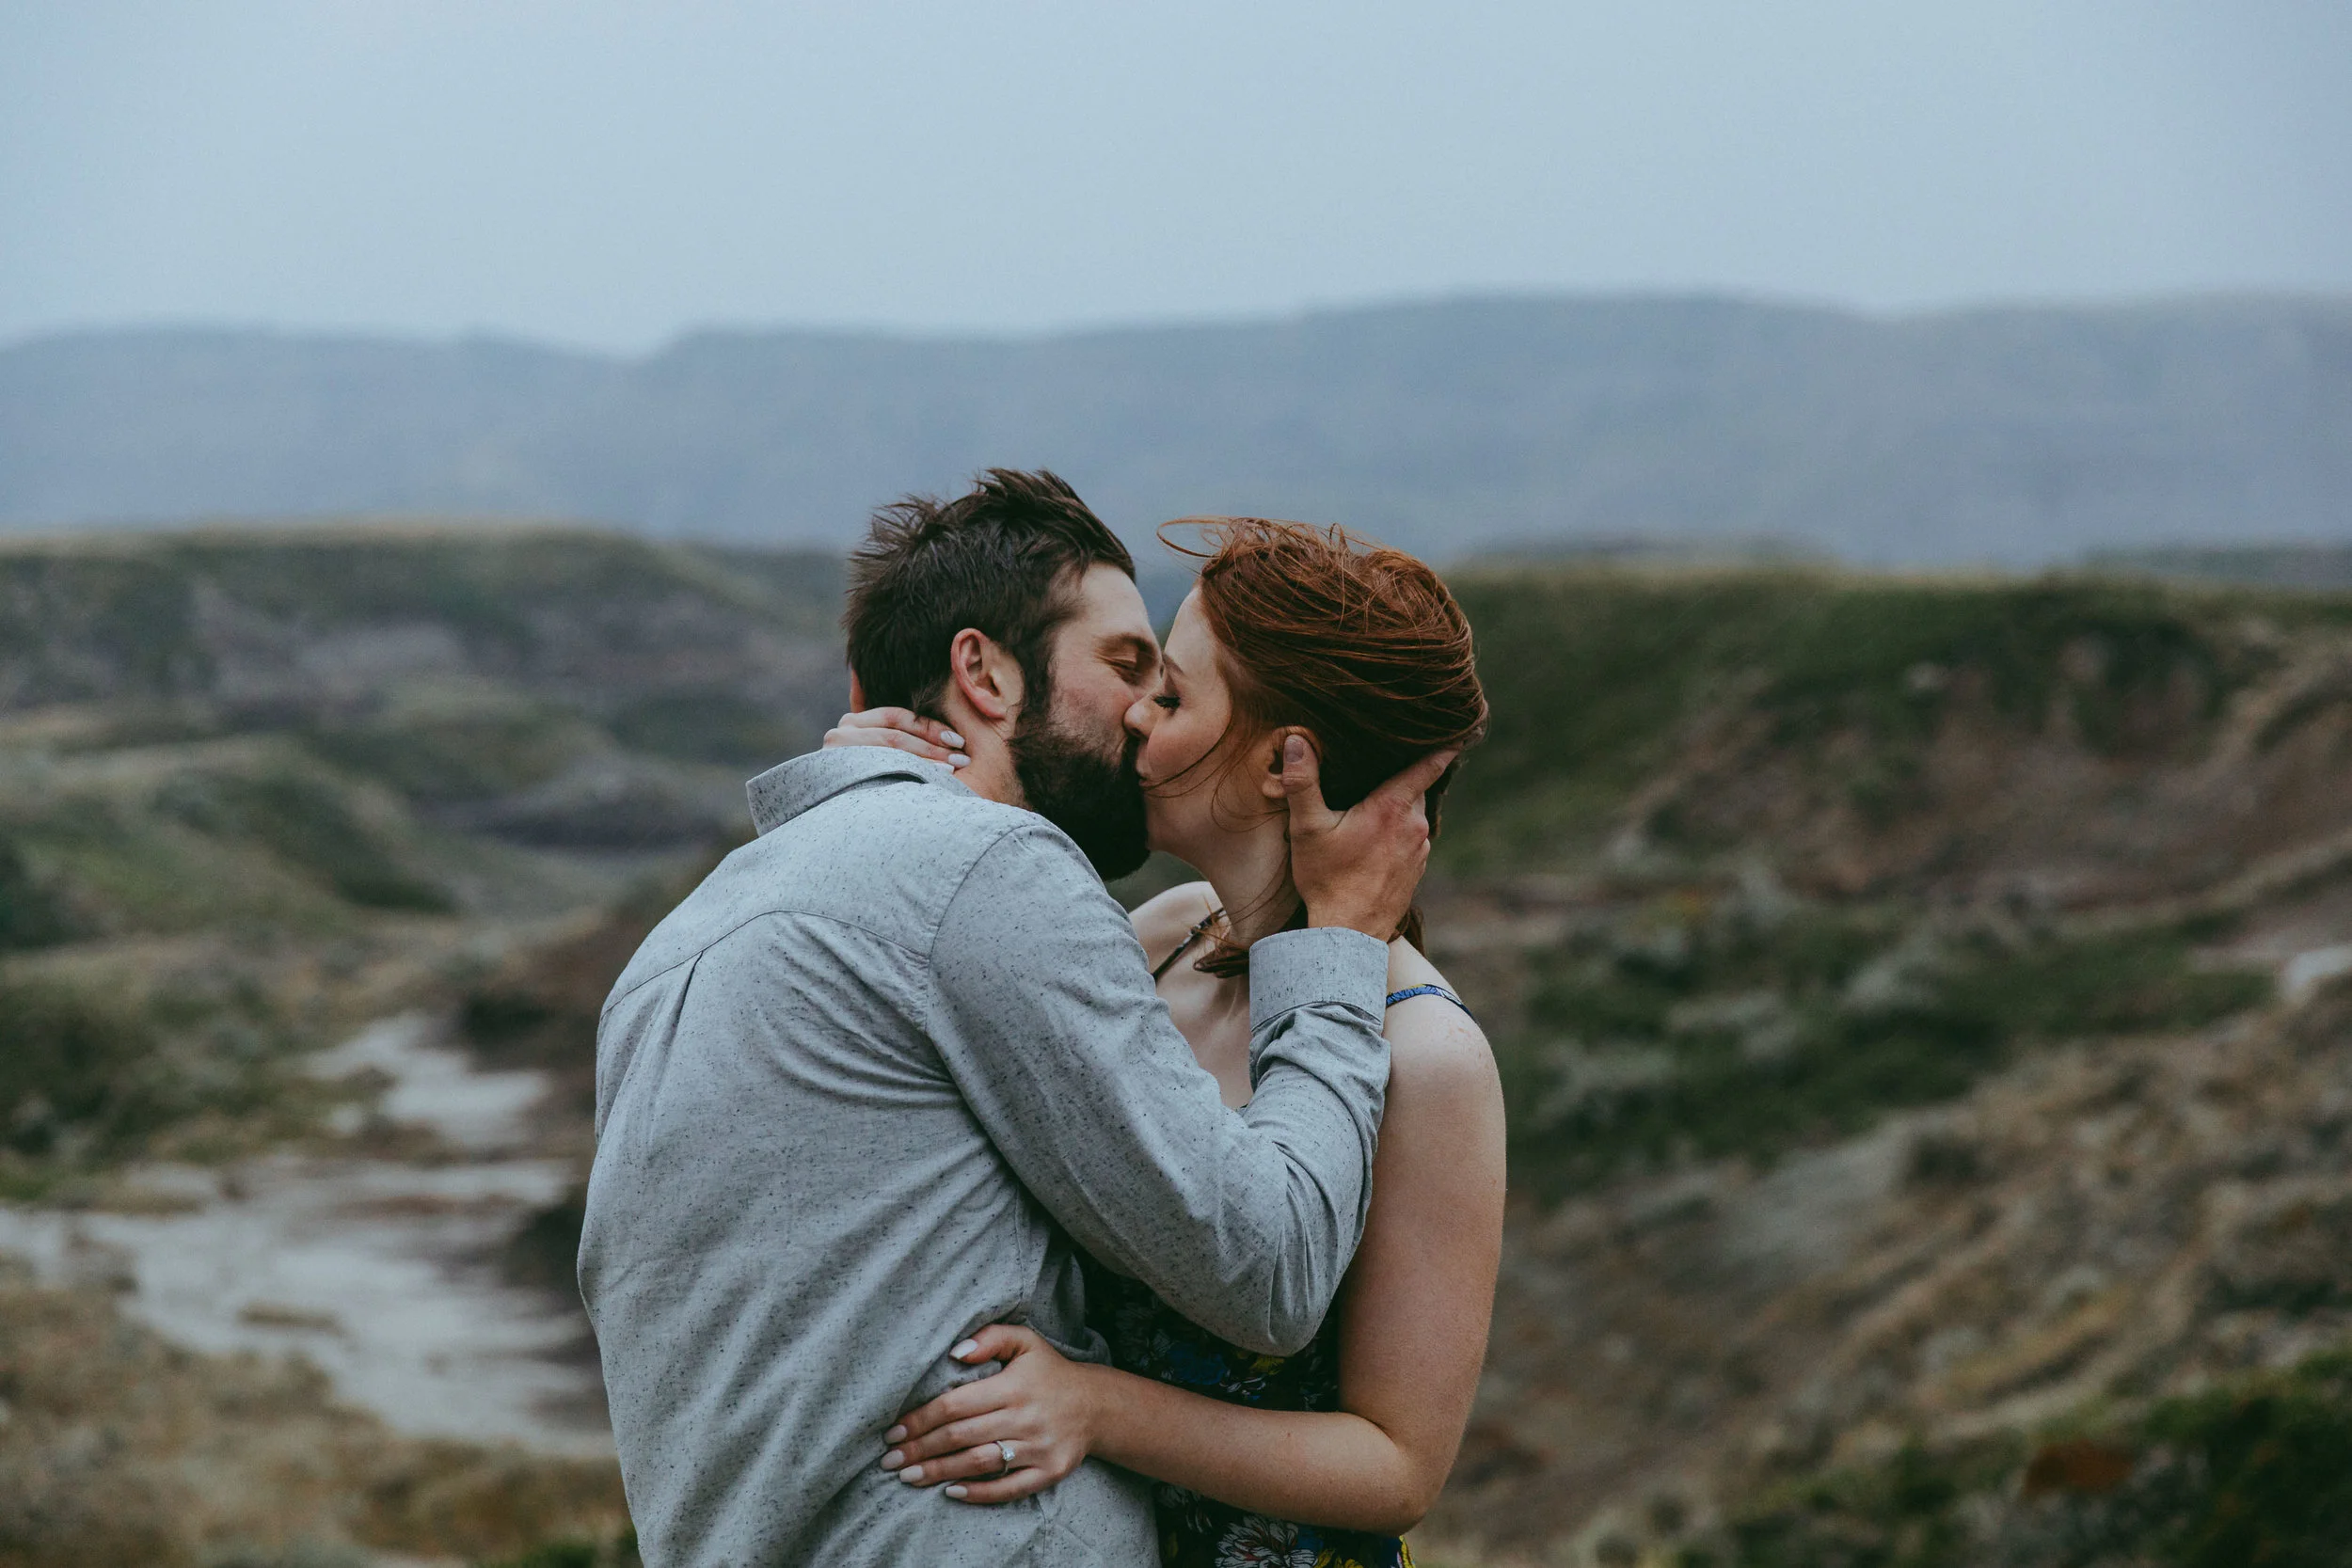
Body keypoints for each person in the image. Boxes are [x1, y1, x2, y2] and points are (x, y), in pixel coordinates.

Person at [578, 472, 1454, 1568]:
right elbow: (1264, 1269)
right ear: (983, 671)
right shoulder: (989, 870)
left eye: (1168, 687)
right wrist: (1339, 945)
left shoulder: (687, 937)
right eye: (1127, 668)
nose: (1141, 713)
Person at [828, 517, 1506, 1567]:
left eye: (1175, 695)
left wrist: (1102, 1407)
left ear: (1289, 762)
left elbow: (1397, 1466)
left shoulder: (1428, 1056)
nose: (1135, 714)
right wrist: (889, 787)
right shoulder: (1157, 938)